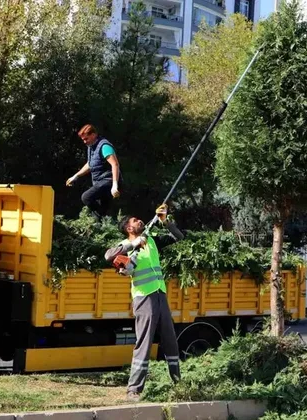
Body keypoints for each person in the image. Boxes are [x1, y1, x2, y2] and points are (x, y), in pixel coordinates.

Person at [104, 205, 183, 401]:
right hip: (143, 298)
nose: (140, 221)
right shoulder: (125, 245)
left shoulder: (152, 241)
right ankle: (134, 390)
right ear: (129, 229)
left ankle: (178, 382)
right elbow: (108, 256)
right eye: (135, 221)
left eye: (140, 220)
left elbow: (179, 237)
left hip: (159, 294)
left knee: (170, 340)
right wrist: (135, 244)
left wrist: (165, 221)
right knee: (144, 342)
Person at [66, 124, 122, 221]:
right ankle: (103, 222)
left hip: (108, 181)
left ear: (94, 135)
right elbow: (90, 164)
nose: (84, 142)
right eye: (83, 139)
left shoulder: (104, 146)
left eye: (86, 139)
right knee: (100, 214)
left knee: (86, 197)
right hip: (99, 182)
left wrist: (114, 185)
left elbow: (115, 164)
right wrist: (76, 176)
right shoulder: (91, 147)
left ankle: (102, 218)